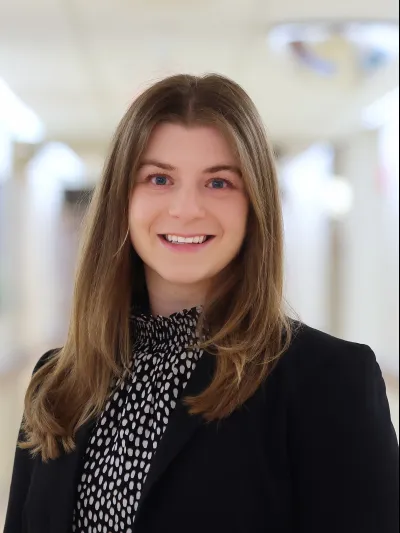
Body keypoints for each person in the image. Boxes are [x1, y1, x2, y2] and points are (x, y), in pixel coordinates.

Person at [4, 74, 399, 533]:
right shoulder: (58, 382)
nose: (186, 208)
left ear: (255, 206)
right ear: (120, 201)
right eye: (159, 178)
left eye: (218, 183)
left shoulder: (328, 381)